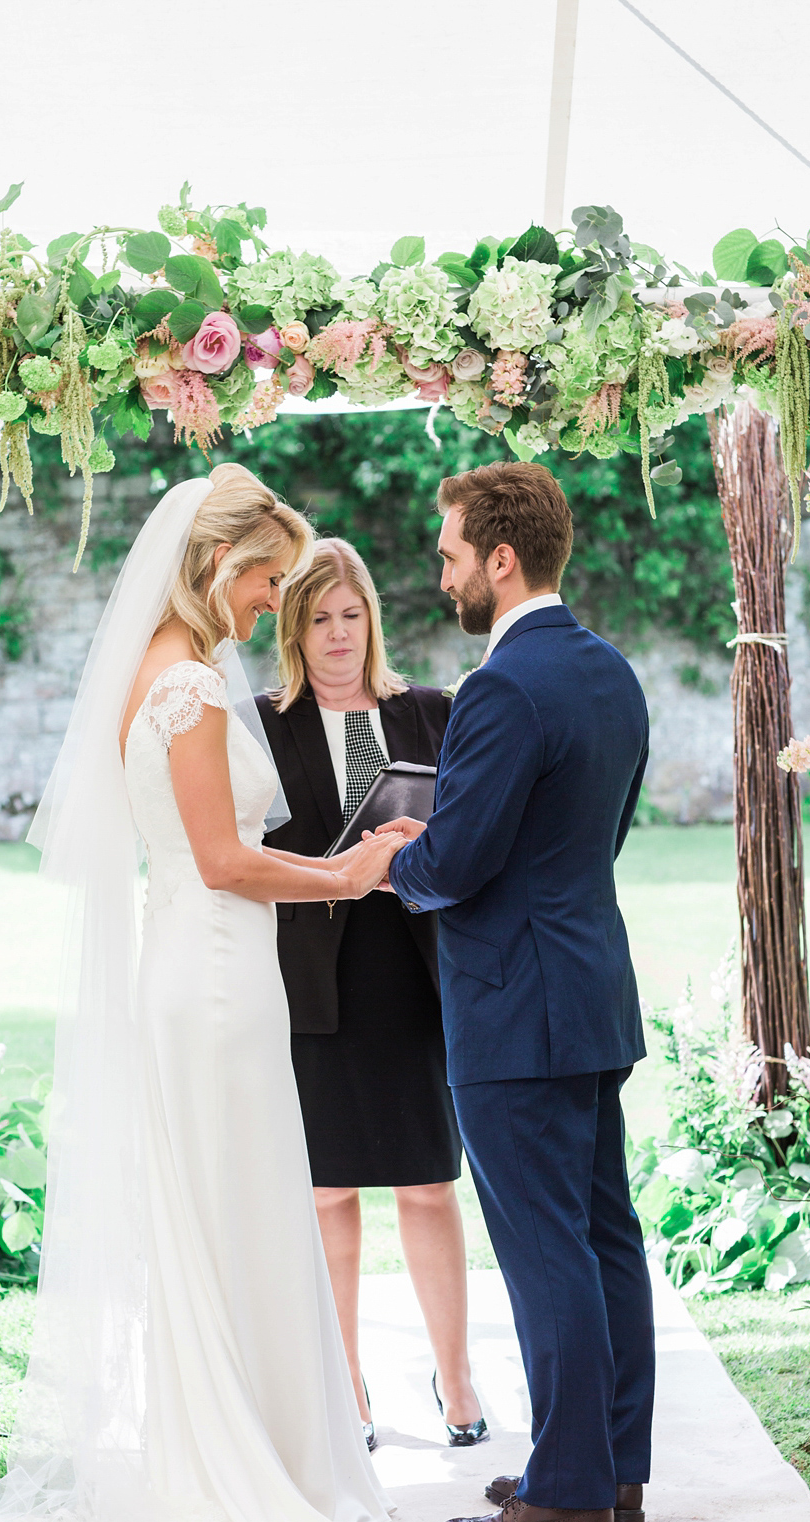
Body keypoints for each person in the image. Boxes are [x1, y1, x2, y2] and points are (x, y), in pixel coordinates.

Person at [0, 466, 452, 1522]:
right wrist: (342, 873)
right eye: (267, 580)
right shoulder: (181, 687)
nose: (273, 604)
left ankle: (270, 1445)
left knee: (244, 1207)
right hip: (215, 974)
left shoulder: (187, 666)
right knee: (234, 1208)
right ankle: (236, 1464)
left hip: (220, 969)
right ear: (216, 565)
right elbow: (222, 860)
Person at [378, 460, 655, 1522]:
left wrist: (405, 857)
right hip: (590, 988)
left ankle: (570, 1496)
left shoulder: (501, 688)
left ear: (500, 559)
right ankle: (611, 1469)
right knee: (600, 1237)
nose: (441, 574)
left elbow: (464, 858)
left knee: (547, 1248)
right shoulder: (611, 672)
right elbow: (596, 837)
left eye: (449, 554)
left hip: (513, 1004)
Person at [256, 540, 484, 1449]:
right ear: (294, 629)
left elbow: (470, 829)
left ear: (372, 622)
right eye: (318, 618)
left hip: (417, 974)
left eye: (351, 616)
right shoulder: (262, 727)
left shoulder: (431, 711)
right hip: (315, 980)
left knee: (430, 1184)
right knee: (327, 1193)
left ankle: (457, 1378)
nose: (338, 635)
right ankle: (345, 1384)